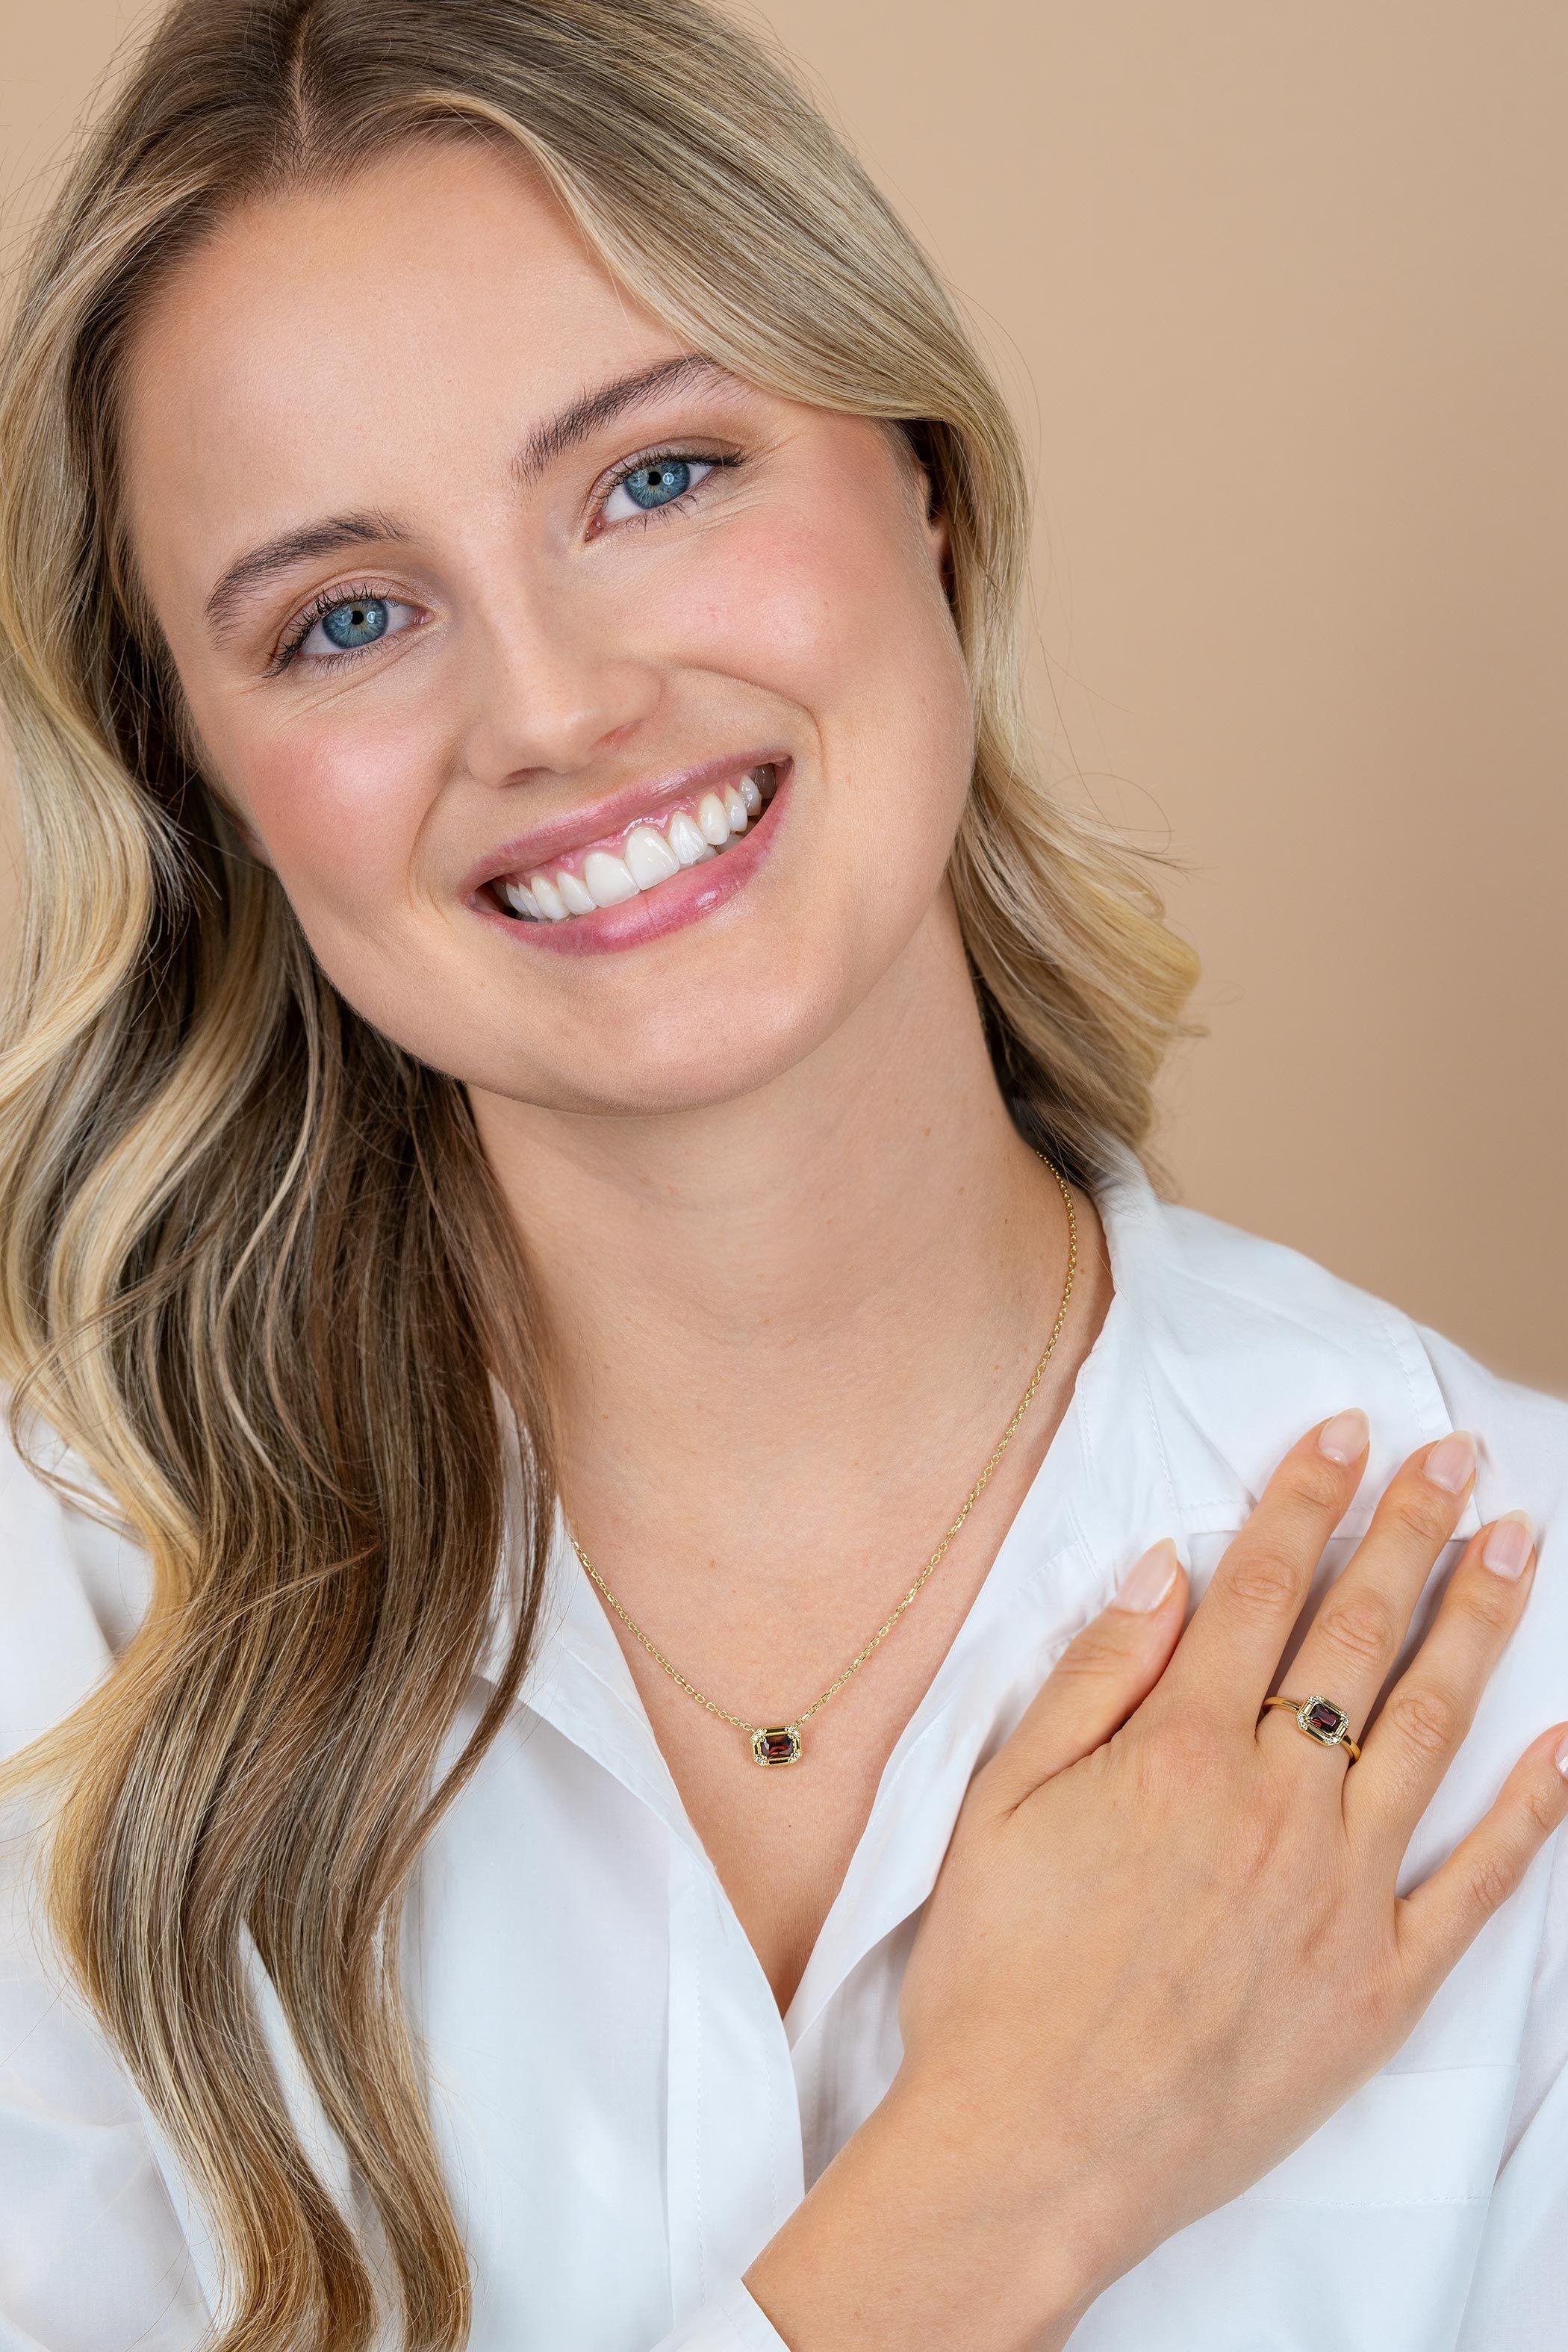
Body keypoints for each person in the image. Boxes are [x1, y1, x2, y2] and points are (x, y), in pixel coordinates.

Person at [0, 1, 1562, 2347]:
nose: (552, 709)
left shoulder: (1521, 1638)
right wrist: (1000, 2183)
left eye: (655, 479)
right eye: (346, 617)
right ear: (200, 774)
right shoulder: (48, 1638)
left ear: (920, 476)